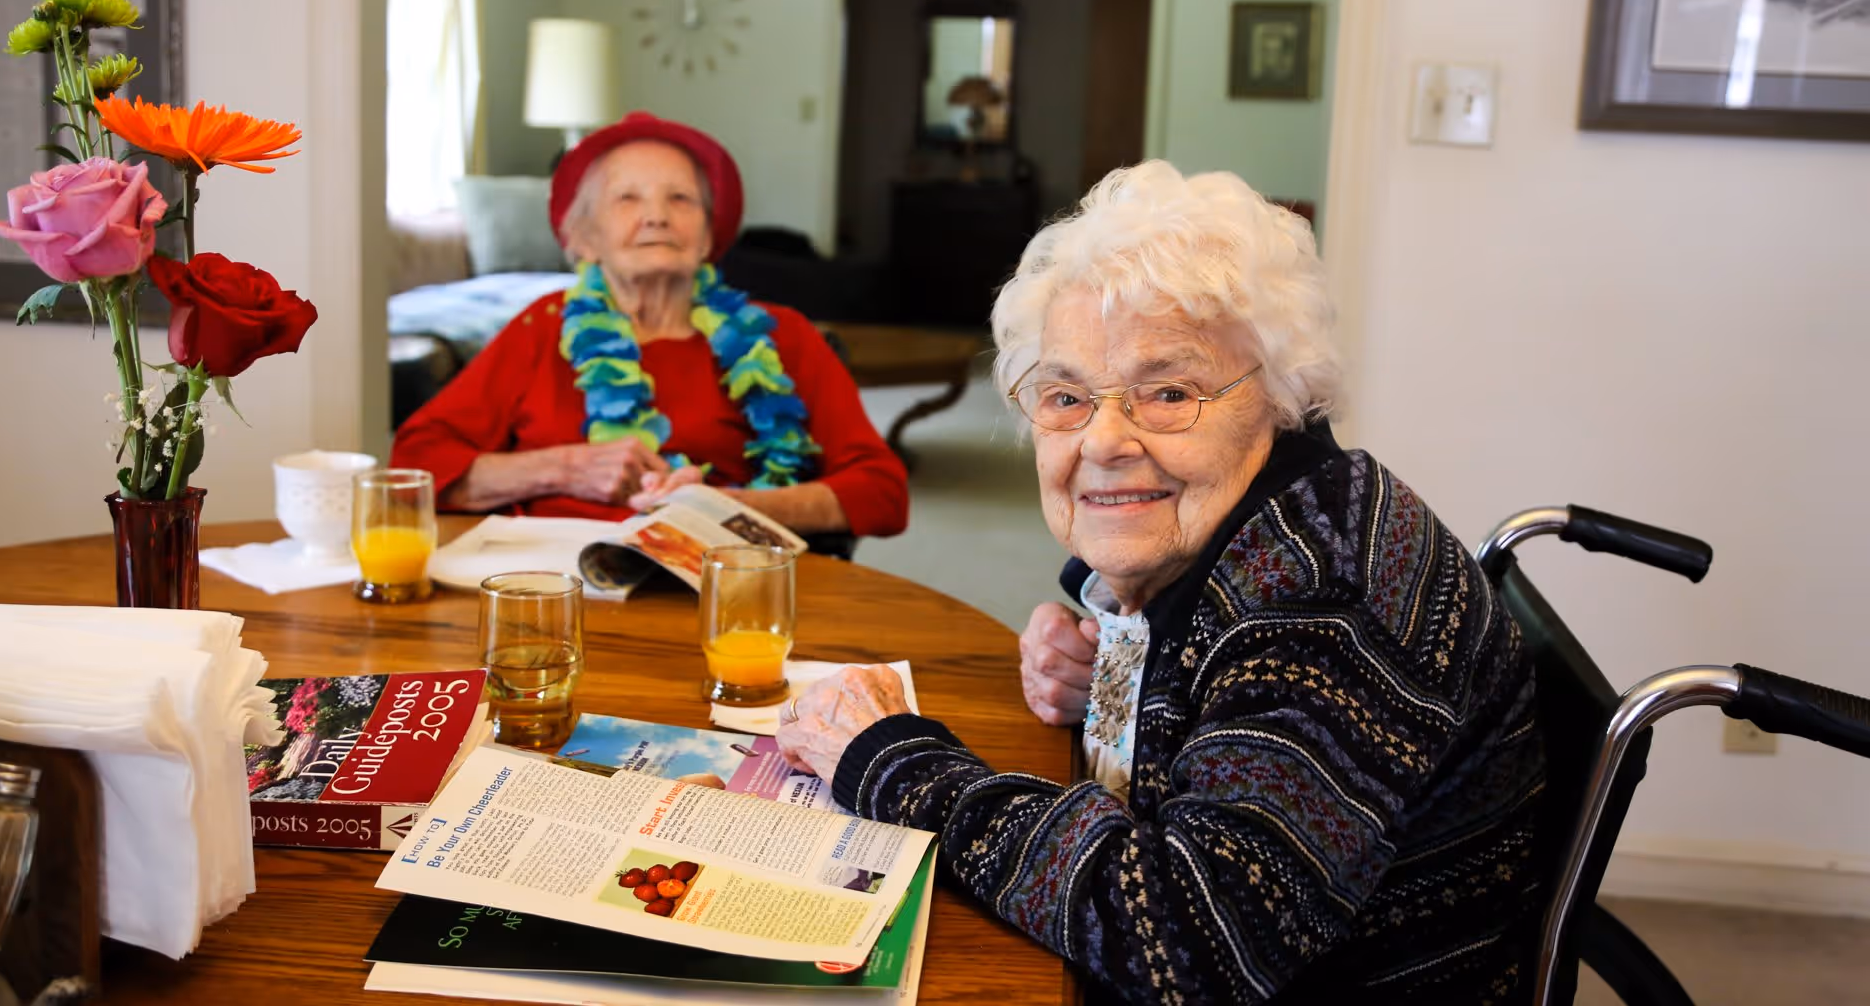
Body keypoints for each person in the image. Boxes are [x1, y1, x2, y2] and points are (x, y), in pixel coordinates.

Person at [776, 162, 1546, 1002]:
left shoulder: (1326, 602)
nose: (1105, 440)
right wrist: (1122, 678)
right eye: (1067, 395)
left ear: (1283, 396)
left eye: (1169, 392)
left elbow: (1188, 938)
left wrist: (892, 763)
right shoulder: (1266, 522)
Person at [391, 112, 908, 537]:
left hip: (724, 588)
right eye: (627, 198)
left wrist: (730, 506)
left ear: (708, 237)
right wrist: (566, 468)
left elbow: (882, 494)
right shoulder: (541, 328)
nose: (656, 216)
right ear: (584, 240)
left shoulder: (782, 335)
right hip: (547, 586)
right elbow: (417, 465)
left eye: (680, 199)